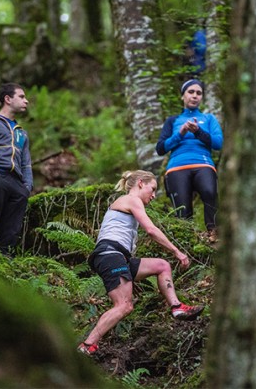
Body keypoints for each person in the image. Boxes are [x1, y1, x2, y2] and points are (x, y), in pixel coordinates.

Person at [78, 170, 204, 355]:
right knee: (124, 305)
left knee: (162, 266)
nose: (153, 195)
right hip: (110, 254)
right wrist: (177, 251)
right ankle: (87, 346)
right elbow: (151, 230)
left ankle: (177, 308)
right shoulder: (131, 200)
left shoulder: (127, 203)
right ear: (140, 184)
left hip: (119, 256)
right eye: (152, 189)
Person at [155, 79, 223, 234]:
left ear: (202, 98)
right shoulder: (173, 121)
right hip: (177, 166)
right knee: (182, 211)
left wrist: (198, 132)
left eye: (199, 93)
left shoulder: (209, 119)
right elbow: (160, 148)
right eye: (191, 92)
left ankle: (214, 232)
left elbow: (218, 144)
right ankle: (189, 241)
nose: (195, 96)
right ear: (183, 96)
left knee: (210, 193)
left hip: (203, 163)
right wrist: (180, 133)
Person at [0, 83, 33, 256]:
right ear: (7, 99)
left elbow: (26, 163)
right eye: (22, 97)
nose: (27, 101)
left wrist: (27, 187)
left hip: (16, 182)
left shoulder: (21, 133)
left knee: (12, 226)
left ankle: (4, 255)